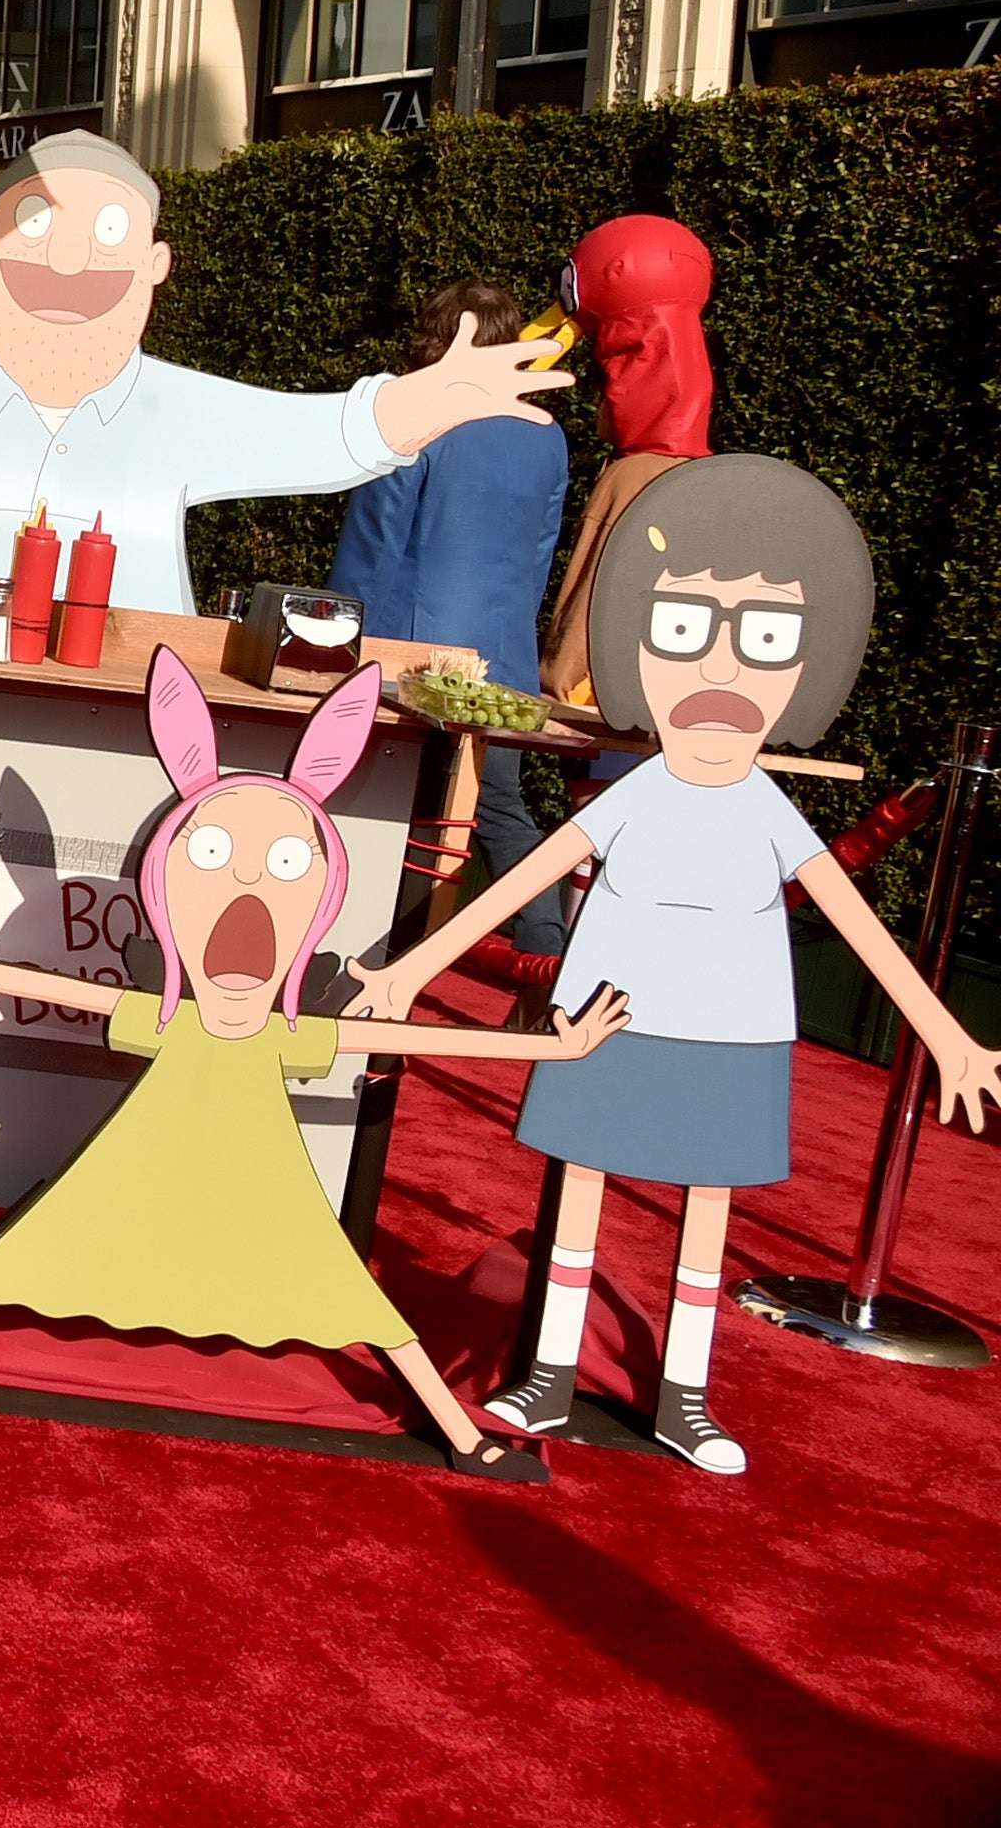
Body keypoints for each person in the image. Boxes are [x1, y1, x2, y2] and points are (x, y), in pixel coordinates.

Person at [359, 458, 1001, 1474]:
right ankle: (548, 1375)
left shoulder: (766, 811)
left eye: (767, 639)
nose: (721, 670)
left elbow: (854, 919)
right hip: (602, 1022)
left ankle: (684, 1398)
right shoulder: (640, 793)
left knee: (706, 1209)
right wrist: (410, 972)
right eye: (682, 629)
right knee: (580, 1189)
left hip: (733, 1037)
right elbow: (531, 875)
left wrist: (946, 1037)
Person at [0, 655, 629, 1476]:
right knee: (17, 1256)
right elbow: (55, 987)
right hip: (141, 1165)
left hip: (261, 1185)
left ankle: (465, 1439)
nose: (248, 877)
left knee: (355, 1298)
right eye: (212, 853)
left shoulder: (277, 1029)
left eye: (286, 862)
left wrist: (554, 1046)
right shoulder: (177, 1016)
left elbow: (427, 1040)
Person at [0, 131, 569, 611]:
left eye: (108, 232)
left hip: (123, 719)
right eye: (35, 224)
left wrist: (416, 407)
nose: (68, 261)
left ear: (155, 265)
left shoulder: (174, 410)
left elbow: (308, 432)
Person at [331, 279, 574, 954]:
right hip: (502, 657)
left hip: (408, 653)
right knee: (496, 808)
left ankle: (379, 950)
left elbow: (375, 543)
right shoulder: (547, 436)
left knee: (383, 808)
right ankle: (549, 947)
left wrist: (343, 639)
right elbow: (538, 554)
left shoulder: (419, 415)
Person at [537, 214, 712, 711]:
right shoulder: (701, 478)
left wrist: (559, 679)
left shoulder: (634, 477)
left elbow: (596, 595)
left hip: (603, 703)